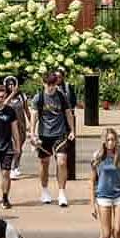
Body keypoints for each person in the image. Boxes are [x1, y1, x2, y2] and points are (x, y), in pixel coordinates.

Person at [32, 71, 75, 207]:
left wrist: (72, 129)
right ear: (43, 83)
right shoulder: (38, 98)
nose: (51, 87)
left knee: (62, 162)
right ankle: (44, 190)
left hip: (60, 133)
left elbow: (68, 113)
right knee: (44, 163)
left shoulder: (61, 96)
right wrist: (32, 134)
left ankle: (62, 192)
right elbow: (34, 116)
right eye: (48, 84)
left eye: (53, 84)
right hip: (44, 134)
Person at [1, 75, 30, 180]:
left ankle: (16, 165)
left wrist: (31, 122)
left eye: (13, 84)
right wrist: (12, 94)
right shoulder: (4, 96)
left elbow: (26, 110)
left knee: (19, 146)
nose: (11, 86)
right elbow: (3, 105)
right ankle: (11, 168)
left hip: (21, 124)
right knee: (13, 146)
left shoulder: (22, 96)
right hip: (9, 125)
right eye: (9, 85)